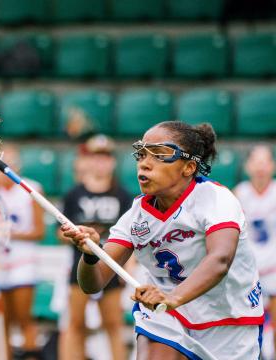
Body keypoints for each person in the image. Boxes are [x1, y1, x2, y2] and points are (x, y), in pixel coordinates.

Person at [60, 121, 264, 359]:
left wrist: (173, 297)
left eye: (159, 155)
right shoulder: (135, 217)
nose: (145, 163)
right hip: (164, 311)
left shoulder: (216, 199)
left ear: (188, 167)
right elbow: (93, 283)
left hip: (228, 317)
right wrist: (91, 254)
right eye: (142, 154)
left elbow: (220, 260)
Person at [58, 135, 131, 360]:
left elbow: (131, 236)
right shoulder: (74, 194)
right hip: (80, 268)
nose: (101, 163)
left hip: (111, 266)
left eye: (106, 157)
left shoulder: (123, 195)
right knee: (75, 323)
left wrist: (127, 269)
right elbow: (59, 232)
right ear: (87, 161)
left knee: (113, 324)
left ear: (113, 162)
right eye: (96, 157)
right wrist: (77, 237)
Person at [0, 144, 45, 360]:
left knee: (24, 319)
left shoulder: (32, 189)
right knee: (1, 320)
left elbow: (39, 231)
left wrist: (6, 233)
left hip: (23, 261)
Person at [234, 145, 276, 357]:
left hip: (275, 269)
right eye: (256, 162)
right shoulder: (239, 193)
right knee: (246, 329)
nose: (261, 167)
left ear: (273, 166)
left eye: (265, 161)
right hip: (249, 271)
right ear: (248, 166)